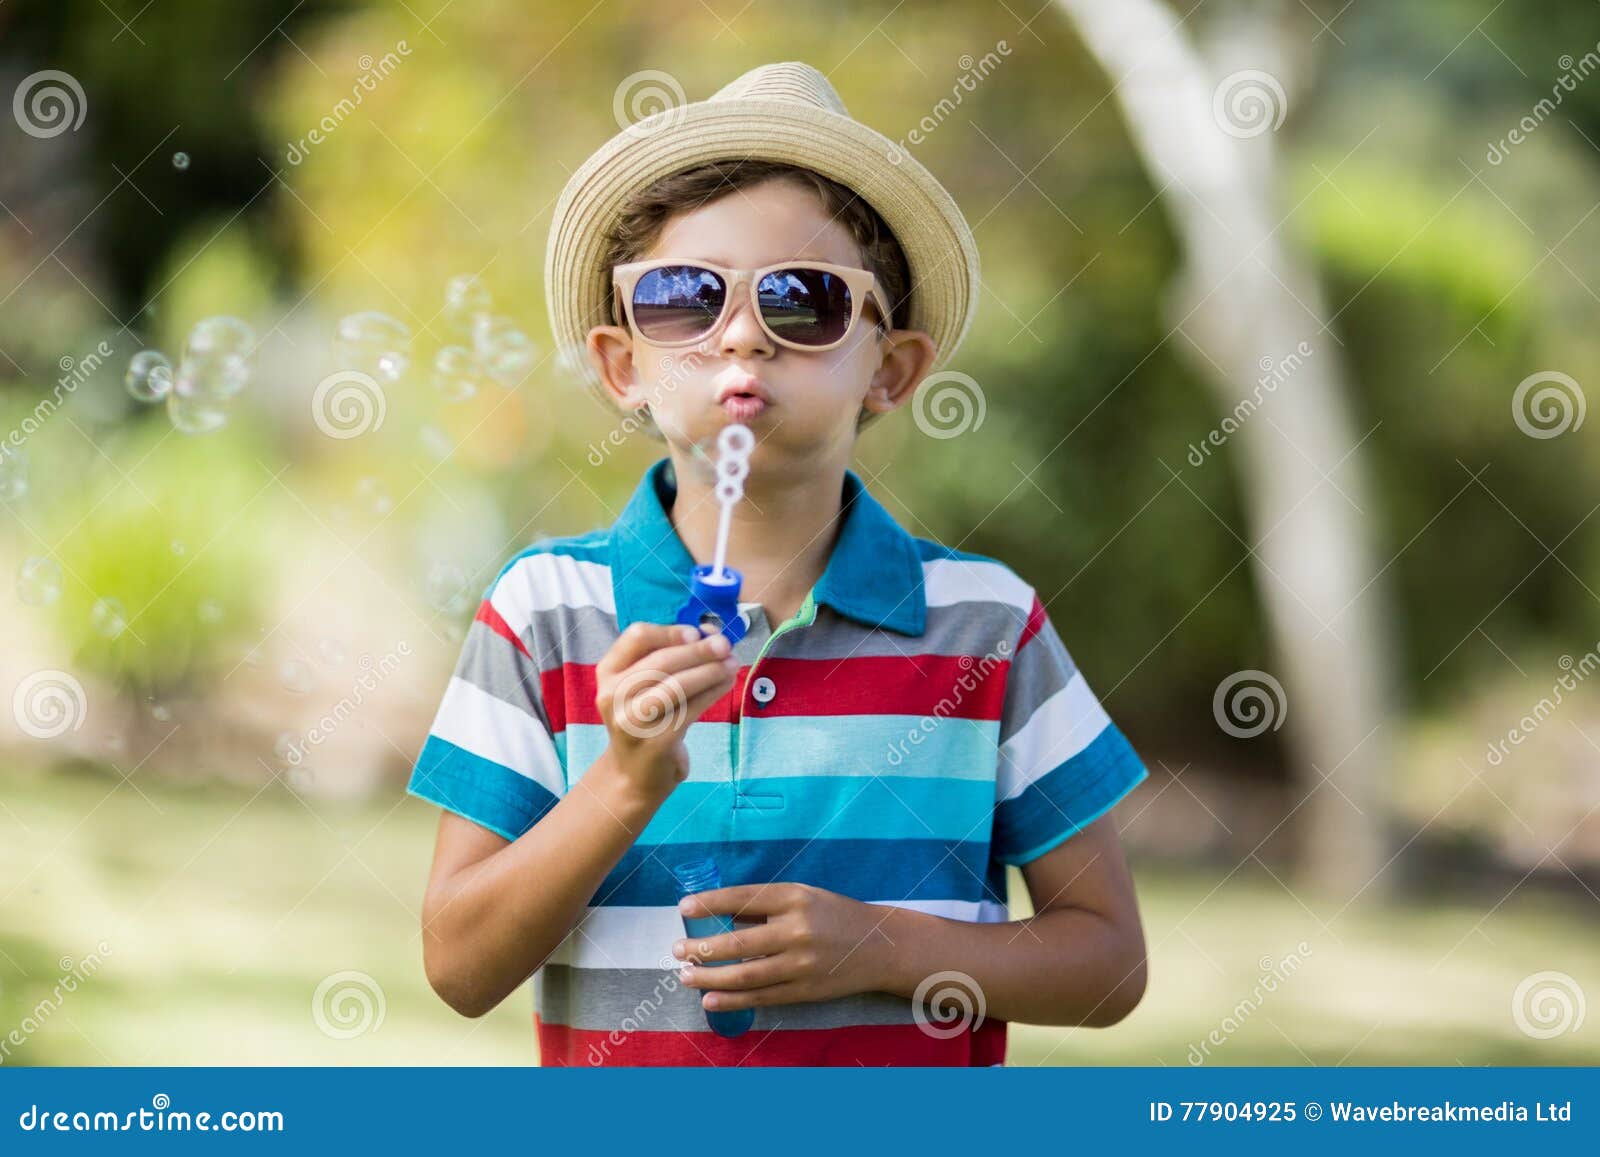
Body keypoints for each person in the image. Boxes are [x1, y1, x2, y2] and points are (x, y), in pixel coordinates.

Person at [407, 61, 1150, 1066]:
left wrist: (881, 946)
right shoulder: (543, 613)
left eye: (803, 300)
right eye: (684, 297)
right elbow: (459, 965)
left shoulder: (986, 625)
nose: (744, 336)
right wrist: (620, 785)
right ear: (625, 363)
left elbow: (1107, 961)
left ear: (891, 368)